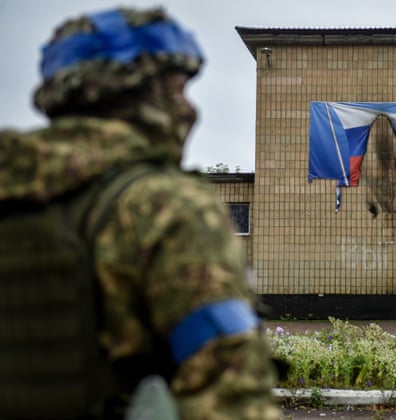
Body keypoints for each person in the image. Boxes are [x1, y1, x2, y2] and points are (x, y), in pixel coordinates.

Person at [0, 7, 280, 420]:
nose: (190, 110)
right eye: (179, 89)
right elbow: (230, 393)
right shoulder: (165, 206)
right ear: (138, 89)